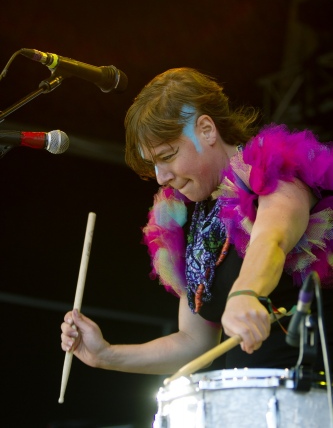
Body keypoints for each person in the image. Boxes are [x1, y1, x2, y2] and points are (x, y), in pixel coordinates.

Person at [61, 67, 333, 376]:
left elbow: (271, 238)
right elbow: (194, 342)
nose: (161, 177)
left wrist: (245, 293)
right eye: (154, 164)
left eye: (168, 155)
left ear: (206, 130)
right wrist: (106, 354)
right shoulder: (199, 218)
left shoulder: (275, 171)